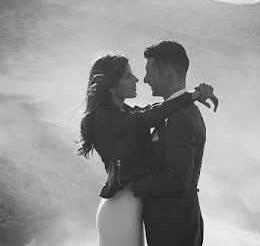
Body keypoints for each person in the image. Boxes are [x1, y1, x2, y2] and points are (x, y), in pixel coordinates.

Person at [76, 53, 216, 246]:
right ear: (111, 85)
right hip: (120, 206)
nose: (136, 80)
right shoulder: (105, 117)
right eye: (127, 76)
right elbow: (151, 116)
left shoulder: (125, 112)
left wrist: (192, 94)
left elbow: (153, 109)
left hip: (131, 205)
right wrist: (192, 95)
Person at [133, 41, 210, 246]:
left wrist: (131, 186)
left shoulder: (181, 117)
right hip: (175, 225)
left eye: (150, 72)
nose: (145, 79)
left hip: (174, 230)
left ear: (168, 73)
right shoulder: (175, 110)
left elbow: (177, 178)